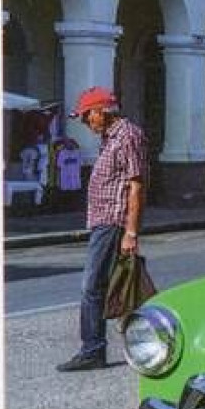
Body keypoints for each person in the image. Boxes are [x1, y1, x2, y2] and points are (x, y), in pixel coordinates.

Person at [56, 87, 147, 372]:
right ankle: (137, 341)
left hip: (112, 221)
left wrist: (131, 232)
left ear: (101, 112)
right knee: (110, 286)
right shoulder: (110, 138)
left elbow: (137, 184)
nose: (85, 122)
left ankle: (93, 349)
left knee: (92, 286)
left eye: (86, 116)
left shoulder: (128, 135)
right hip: (102, 221)